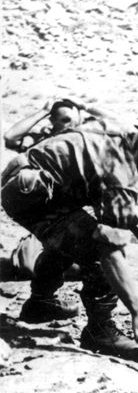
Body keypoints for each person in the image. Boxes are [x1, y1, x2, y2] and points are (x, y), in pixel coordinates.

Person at [1, 104, 138, 358]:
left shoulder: (125, 132)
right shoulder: (120, 170)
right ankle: (100, 332)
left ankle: (41, 303)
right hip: (30, 195)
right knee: (94, 251)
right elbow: (110, 253)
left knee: (72, 237)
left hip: (28, 181)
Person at [2, 98, 110, 302]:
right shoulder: (43, 141)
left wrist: (86, 106)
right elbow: (10, 138)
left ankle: (43, 299)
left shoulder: (83, 141)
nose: (69, 125)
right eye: (63, 120)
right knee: (29, 264)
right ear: (52, 121)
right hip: (42, 219)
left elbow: (121, 127)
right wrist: (42, 111)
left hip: (66, 215)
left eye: (73, 120)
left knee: (83, 252)